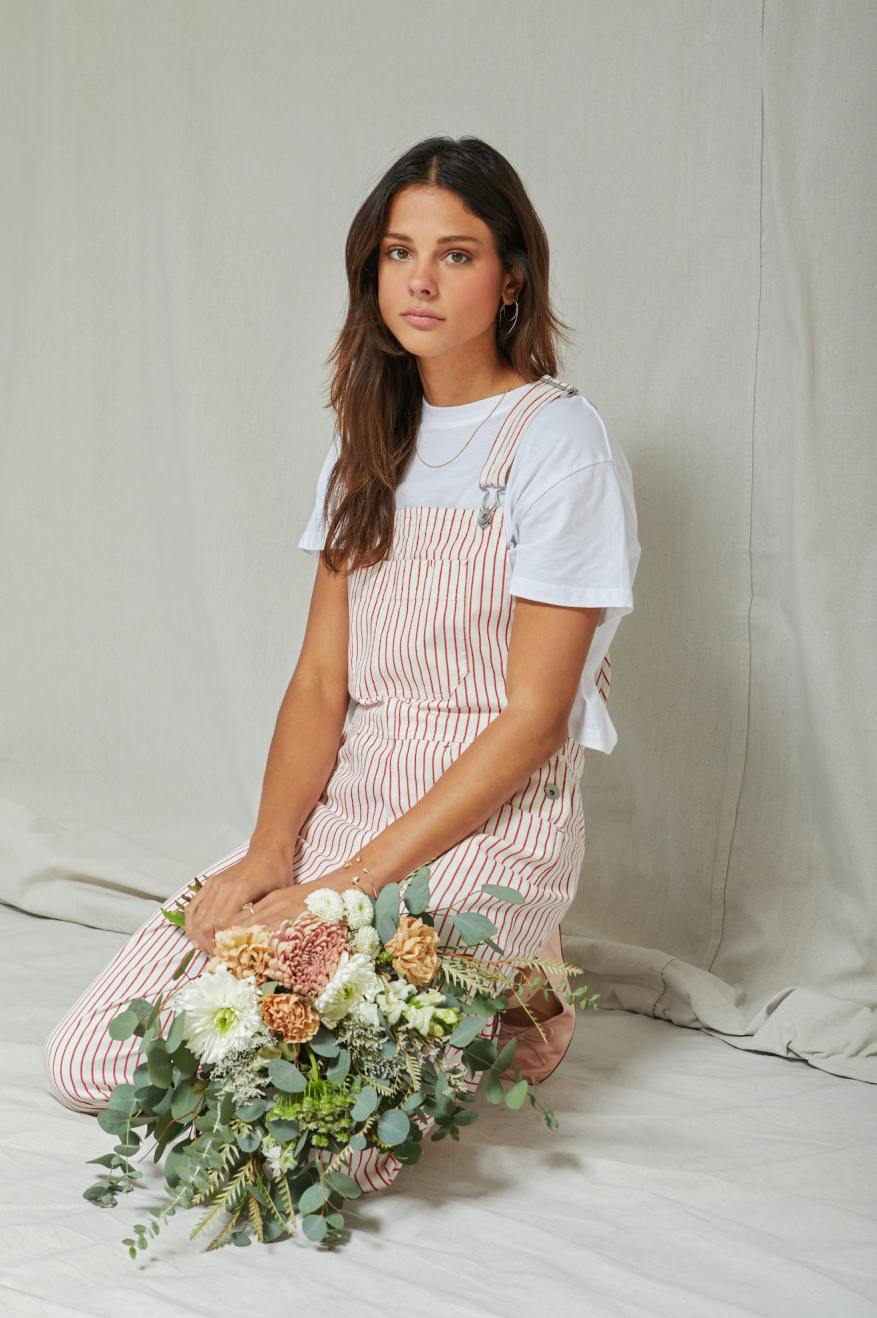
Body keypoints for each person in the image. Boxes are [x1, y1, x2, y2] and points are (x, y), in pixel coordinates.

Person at [44, 134, 640, 1195]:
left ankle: (515, 970)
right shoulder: (366, 441)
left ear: (510, 279)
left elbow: (534, 719)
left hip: (492, 822)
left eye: (456, 254)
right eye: (399, 252)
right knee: (90, 1064)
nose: (421, 280)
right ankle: (509, 988)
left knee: (321, 1144)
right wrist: (271, 854)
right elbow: (322, 683)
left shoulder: (558, 443)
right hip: (351, 806)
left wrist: (343, 892)